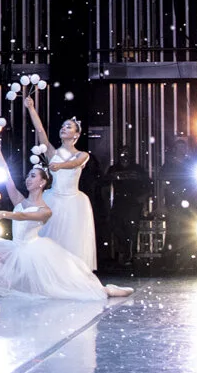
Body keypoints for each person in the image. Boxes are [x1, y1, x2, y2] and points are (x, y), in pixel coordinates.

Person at [0, 133, 112, 300]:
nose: (28, 179)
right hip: (15, 248)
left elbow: (23, 216)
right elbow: (6, 174)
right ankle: (2, 283)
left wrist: (6, 214)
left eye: (33, 176)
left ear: (42, 182)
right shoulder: (19, 199)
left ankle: (108, 291)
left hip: (31, 254)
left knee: (62, 289)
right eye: (27, 176)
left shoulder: (45, 210)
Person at [20, 100, 128, 296]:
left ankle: (77, 282)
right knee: (49, 242)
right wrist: (31, 108)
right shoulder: (53, 152)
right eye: (62, 126)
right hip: (53, 200)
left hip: (72, 203)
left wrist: (59, 166)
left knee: (71, 246)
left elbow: (75, 163)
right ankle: (48, 280)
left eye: (68, 127)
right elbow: (41, 132)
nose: (63, 128)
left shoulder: (82, 155)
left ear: (76, 134)